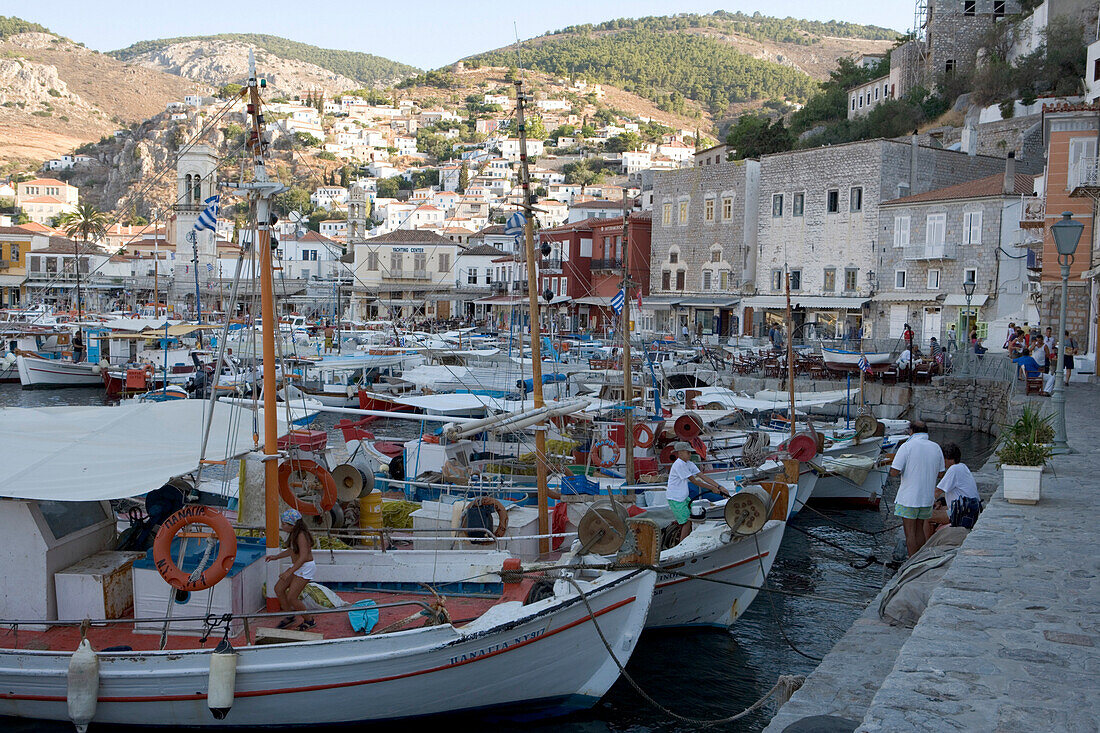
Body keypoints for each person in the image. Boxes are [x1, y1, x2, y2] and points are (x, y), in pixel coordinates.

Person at [889, 419, 945, 556]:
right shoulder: (936, 447)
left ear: (911, 431)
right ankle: (920, 560)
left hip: (908, 498)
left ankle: (910, 564)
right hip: (926, 498)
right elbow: (941, 473)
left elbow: (894, 472)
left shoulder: (907, 446)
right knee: (920, 529)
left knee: (910, 534)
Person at [666, 441, 730, 543]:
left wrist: (719, 486)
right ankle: (683, 544)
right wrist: (712, 489)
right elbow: (694, 481)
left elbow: (702, 476)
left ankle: (688, 539)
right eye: (688, 452)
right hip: (676, 499)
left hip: (683, 497)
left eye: (690, 452)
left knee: (692, 518)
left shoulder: (689, 464)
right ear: (680, 453)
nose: (690, 455)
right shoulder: (679, 465)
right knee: (686, 522)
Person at [265, 509, 316, 631]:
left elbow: (303, 557)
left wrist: (289, 572)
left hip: (306, 567)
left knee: (292, 597)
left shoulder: (301, 535)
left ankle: (309, 620)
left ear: (292, 525)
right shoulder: (294, 534)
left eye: (284, 524)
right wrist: (276, 557)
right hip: (298, 566)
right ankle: (290, 616)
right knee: (279, 588)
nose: (282, 526)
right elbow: (292, 550)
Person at [931, 443, 982, 530]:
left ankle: (928, 542)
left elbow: (937, 491)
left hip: (962, 513)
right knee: (939, 508)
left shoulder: (953, 469)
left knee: (926, 516)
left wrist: (923, 504)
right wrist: (939, 502)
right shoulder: (963, 467)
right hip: (970, 510)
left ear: (947, 458)